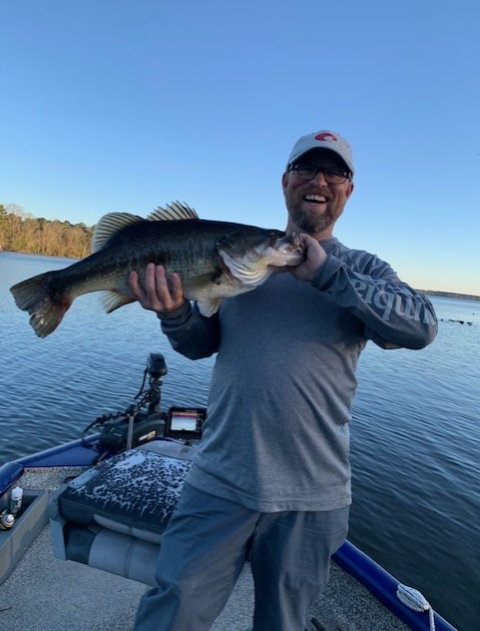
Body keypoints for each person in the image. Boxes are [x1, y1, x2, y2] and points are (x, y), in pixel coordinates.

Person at [129, 130, 438, 631]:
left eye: (333, 172)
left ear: (348, 190)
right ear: (285, 182)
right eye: (306, 169)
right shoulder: (242, 258)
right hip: (219, 480)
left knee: (284, 624)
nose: (319, 181)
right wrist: (174, 315)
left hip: (311, 497)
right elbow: (199, 344)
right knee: (172, 611)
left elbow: (422, 326)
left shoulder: (362, 269)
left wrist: (329, 275)